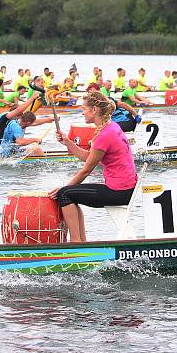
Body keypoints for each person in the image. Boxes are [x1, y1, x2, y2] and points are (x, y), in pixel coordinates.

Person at [49, 91, 137, 242]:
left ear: (94, 110)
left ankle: (76, 244)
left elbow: (86, 170)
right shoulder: (112, 127)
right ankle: (80, 242)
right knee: (70, 194)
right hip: (126, 188)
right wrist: (68, 142)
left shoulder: (105, 135)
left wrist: (63, 189)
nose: (82, 112)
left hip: (119, 191)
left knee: (65, 194)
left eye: (84, 109)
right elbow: (89, 158)